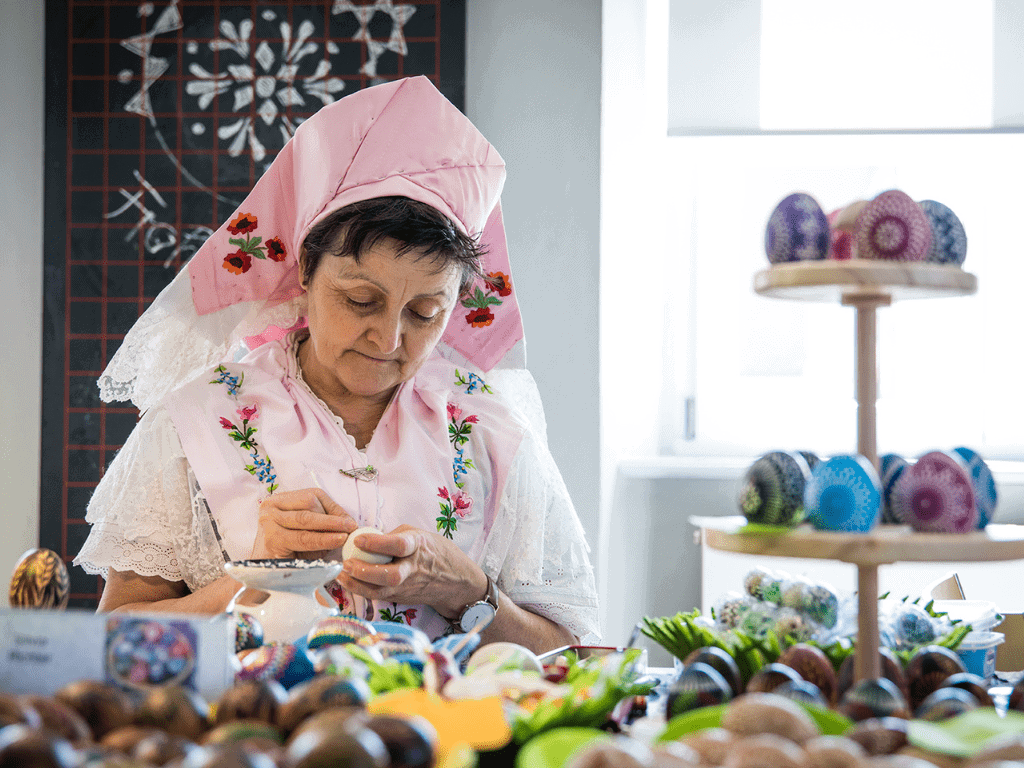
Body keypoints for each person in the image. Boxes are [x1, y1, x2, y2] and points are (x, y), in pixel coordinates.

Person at [73, 76, 600, 653]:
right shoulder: (197, 423)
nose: (389, 338)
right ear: (304, 271)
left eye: (425, 312)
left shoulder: (491, 433)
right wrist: (253, 579)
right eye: (360, 301)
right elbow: (113, 639)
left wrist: (468, 593)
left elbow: (572, 651)